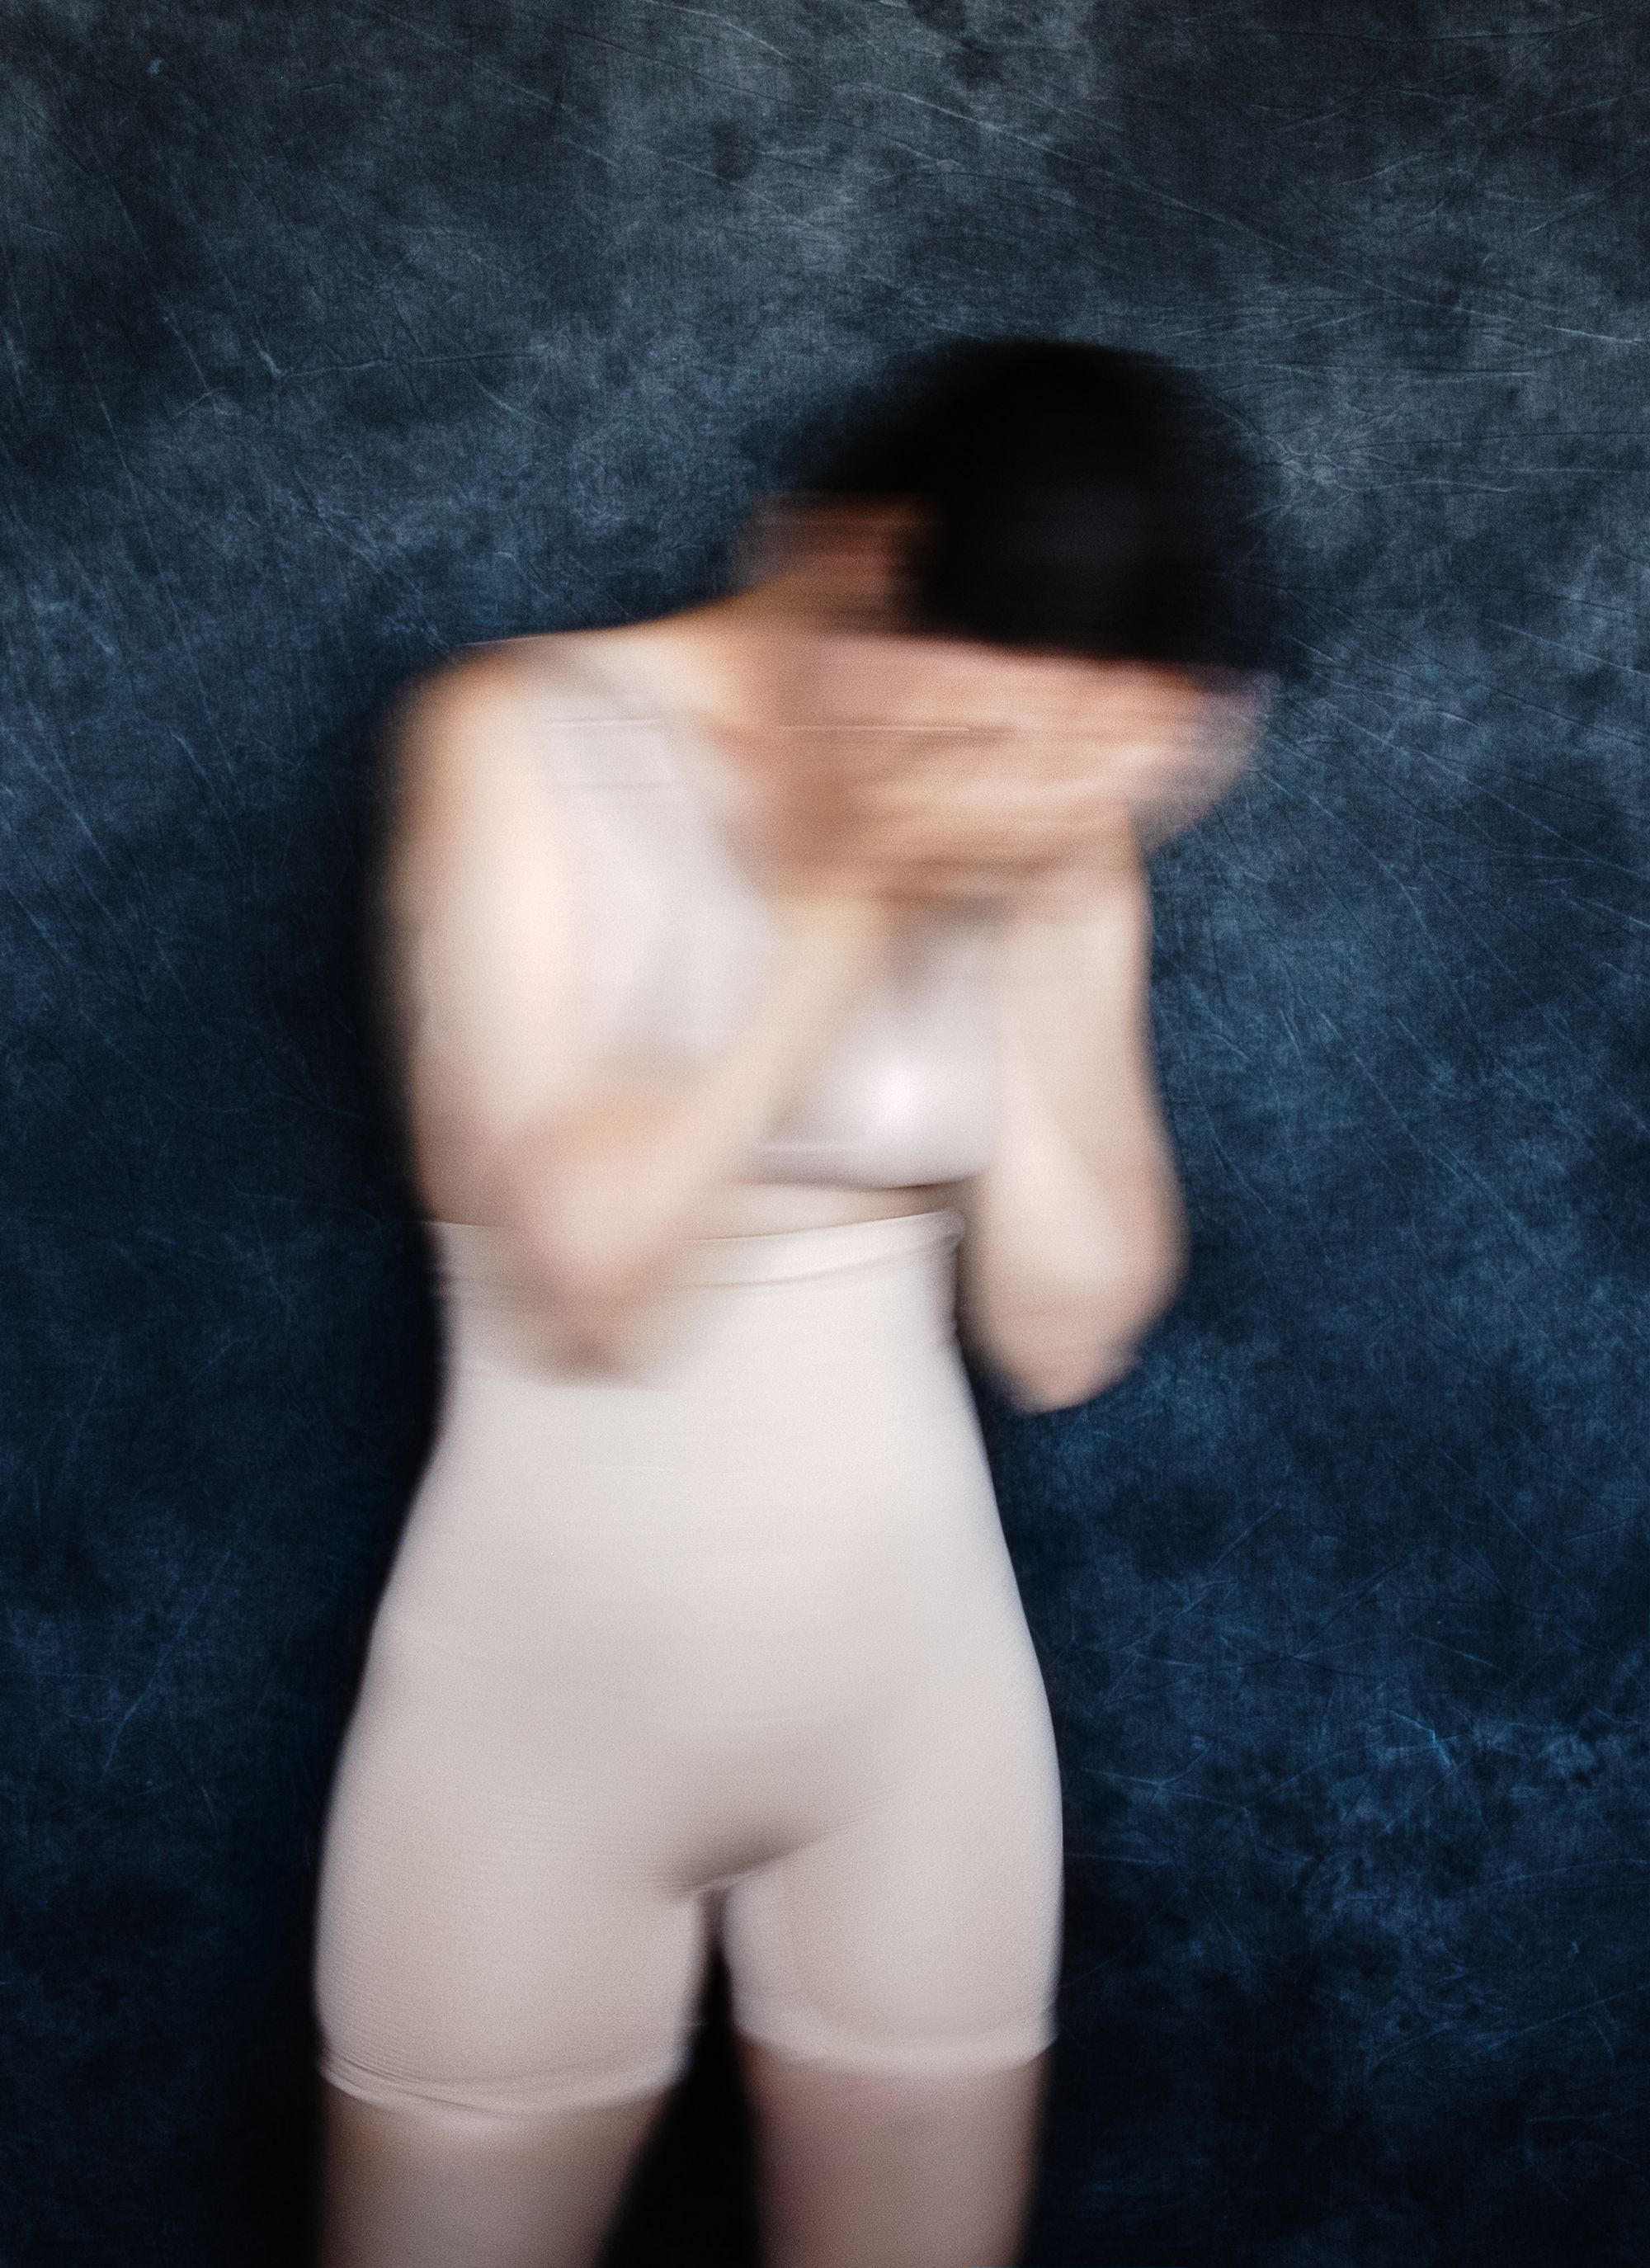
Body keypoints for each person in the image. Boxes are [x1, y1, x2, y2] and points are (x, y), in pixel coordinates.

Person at [313, 341, 1270, 2268]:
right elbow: (591, 1273)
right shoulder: (523, 734)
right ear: (850, 565)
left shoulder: (1039, 801)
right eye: (977, 712)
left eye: (1060, 733)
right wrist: (843, 897)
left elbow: (1062, 1328)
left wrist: (1045, 888)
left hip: (912, 1724)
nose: (1003, 763)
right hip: (532, 1728)